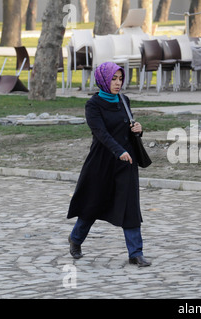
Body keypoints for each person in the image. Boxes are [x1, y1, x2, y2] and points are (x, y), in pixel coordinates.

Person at [67, 62, 151, 267]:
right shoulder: (93, 105)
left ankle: (135, 253)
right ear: (103, 79)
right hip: (101, 163)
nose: (117, 83)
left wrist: (138, 130)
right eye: (113, 79)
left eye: (120, 79)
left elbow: (127, 128)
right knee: (93, 204)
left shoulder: (124, 100)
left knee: (130, 207)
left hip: (126, 162)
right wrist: (118, 151)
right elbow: (101, 133)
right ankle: (76, 239)